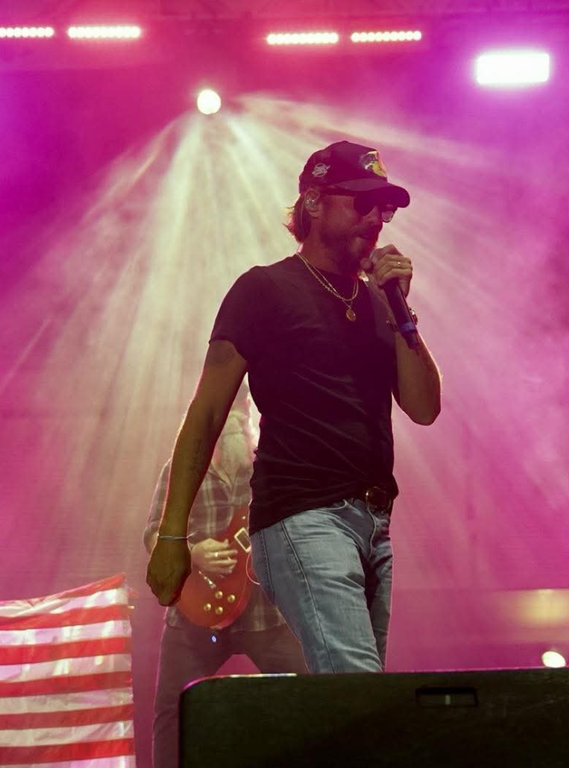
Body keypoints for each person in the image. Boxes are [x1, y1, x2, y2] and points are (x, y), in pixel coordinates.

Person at [146, 139, 440, 674]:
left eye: (385, 207)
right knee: (356, 682)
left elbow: (424, 408)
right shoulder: (263, 290)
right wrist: (171, 536)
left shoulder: (379, 302)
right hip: (302, 516)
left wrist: (403, 312)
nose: (377, 218)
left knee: (357, 695)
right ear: (313, 202)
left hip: (374, 523)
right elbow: (206, 414)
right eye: (363, 202)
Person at [143, 389, 307, 768]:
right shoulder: (178, 469)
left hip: (265, 613)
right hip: (194, 614)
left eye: (239, 417)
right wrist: (194, 552)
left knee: (311, 695)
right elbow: (152, 535)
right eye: (224, 419)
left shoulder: (269, 468)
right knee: (172, 710)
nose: (233, 426)